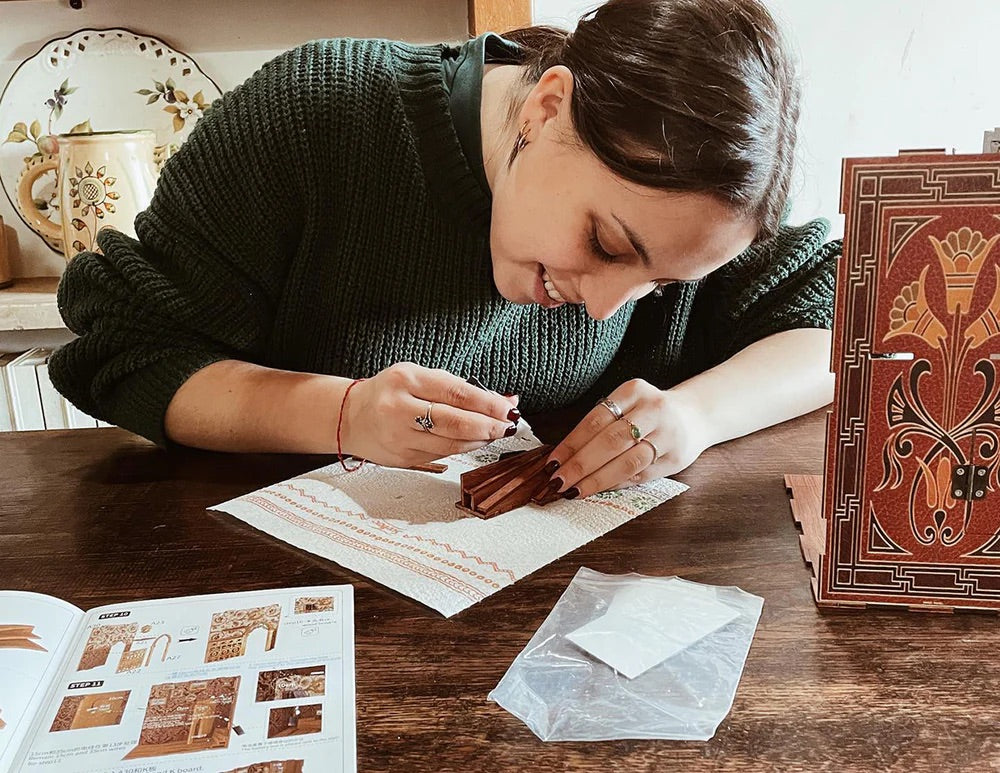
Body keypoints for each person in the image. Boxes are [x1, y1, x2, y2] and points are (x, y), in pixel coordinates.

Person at [51, 0, 839, 502]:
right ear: (548, 104)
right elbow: (126, 349)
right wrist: (342, 413)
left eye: (658, 286)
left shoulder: (682, 208)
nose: (604, 307)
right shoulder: (317, 117)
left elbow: (847, 323)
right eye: (603, 243)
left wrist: (697, 415)